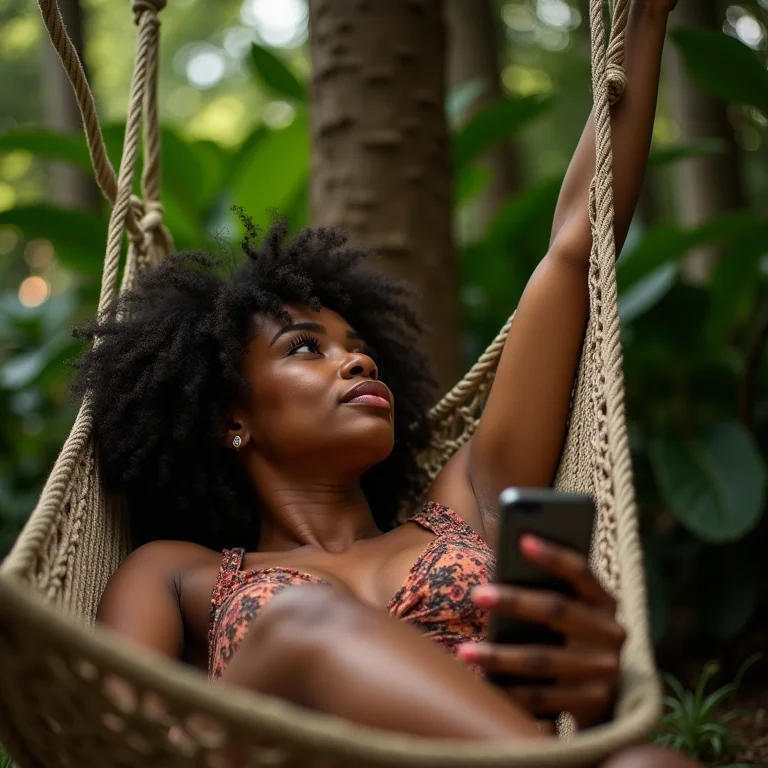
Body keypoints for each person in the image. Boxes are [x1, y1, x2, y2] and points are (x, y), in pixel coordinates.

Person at [80, 0, 700, 763]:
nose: (359, 361)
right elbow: (122, 746)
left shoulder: (467, 502)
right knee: (300, 624)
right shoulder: (176, 573)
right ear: (227, 417)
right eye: (306, 348)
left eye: (361, 347)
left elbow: (575, 249)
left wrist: (643, 21)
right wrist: (289, 656)